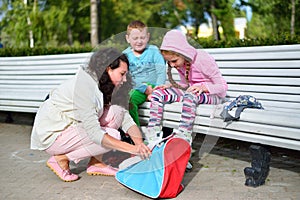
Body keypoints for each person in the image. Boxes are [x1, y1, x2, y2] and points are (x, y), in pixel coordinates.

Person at [30, 47, 151, 182]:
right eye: (122, 74)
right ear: (108, 69)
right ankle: (61, 159)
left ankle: (96, 163)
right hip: (54, 133)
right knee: (113, 136)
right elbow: (95, 134)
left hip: (72, 127)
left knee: (117, 111)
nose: (124, 79)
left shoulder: (105, 85)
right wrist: (133, 149)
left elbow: (125, 119)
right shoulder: (85, 89)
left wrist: (141, 146)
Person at [143, 29, 228, 146]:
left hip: (213, 96)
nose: (172, 65)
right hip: (192, 94)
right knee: (158, 94)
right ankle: (153, 135)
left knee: (190, 95)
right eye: (169, 62)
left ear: (183, 53)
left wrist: (203, 88)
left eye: (174, 61)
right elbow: (186, 85)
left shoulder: (202, 59)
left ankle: (184, 136)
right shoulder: (182, 63)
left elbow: (222, 86)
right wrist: (170, 86)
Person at [123, 20, 166, 127]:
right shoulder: (125, 55)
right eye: (135, 38)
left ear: (147, 37)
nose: (139, 41)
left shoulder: (153, 51)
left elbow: (161, 72)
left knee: (129, 100)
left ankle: (135, 134)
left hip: (152, 87)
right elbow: (125, 76)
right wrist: (142, 88)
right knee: (124, 100)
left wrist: (155, 91)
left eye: (142, 38)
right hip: (135, 87)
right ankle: (130, 131)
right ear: (128, 38)